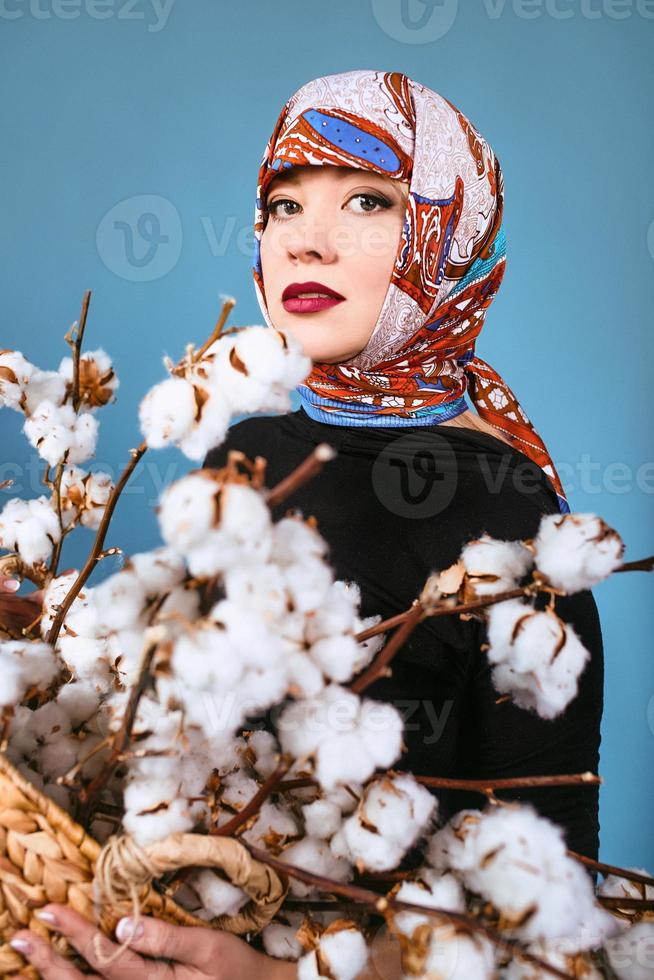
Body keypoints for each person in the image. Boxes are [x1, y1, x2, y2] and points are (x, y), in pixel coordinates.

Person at [5, 69, 603, 978]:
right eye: (284, 205)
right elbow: (171, 712)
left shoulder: (514, 516)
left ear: (451, 234)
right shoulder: (242, 448)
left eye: (367, 200)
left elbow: (554, 920)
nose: (308, 243)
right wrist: (45, 652)